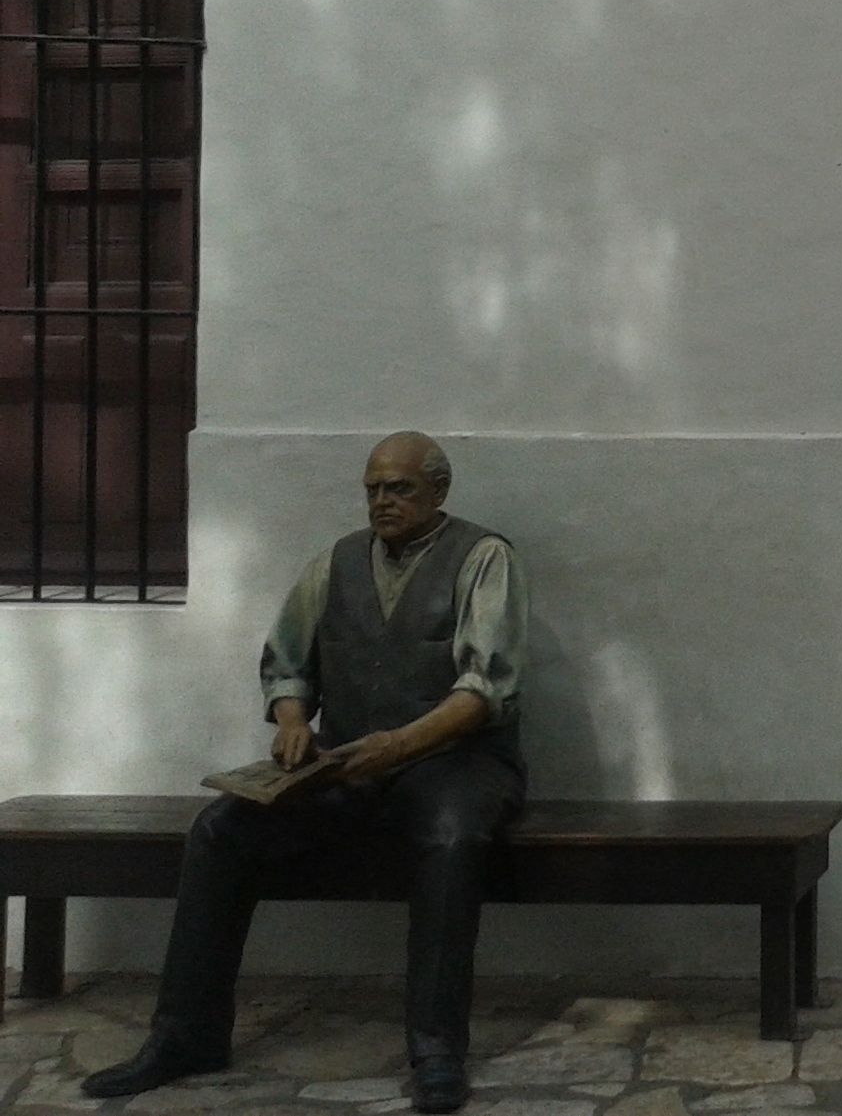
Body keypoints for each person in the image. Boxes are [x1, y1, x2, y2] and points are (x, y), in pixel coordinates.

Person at [82, 433, 529, 1114]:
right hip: (351, 761)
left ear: (439, 491)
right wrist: (293, 721)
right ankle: (186, 1035)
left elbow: (483, 690)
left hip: (457, 761)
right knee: (221, 828)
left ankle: (437, 1049)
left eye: (400, 488)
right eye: (374, 487)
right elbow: (290, 660)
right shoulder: (337, 560)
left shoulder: (484, 557)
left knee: (447, 838)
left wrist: (399, 745)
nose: (383, 500)